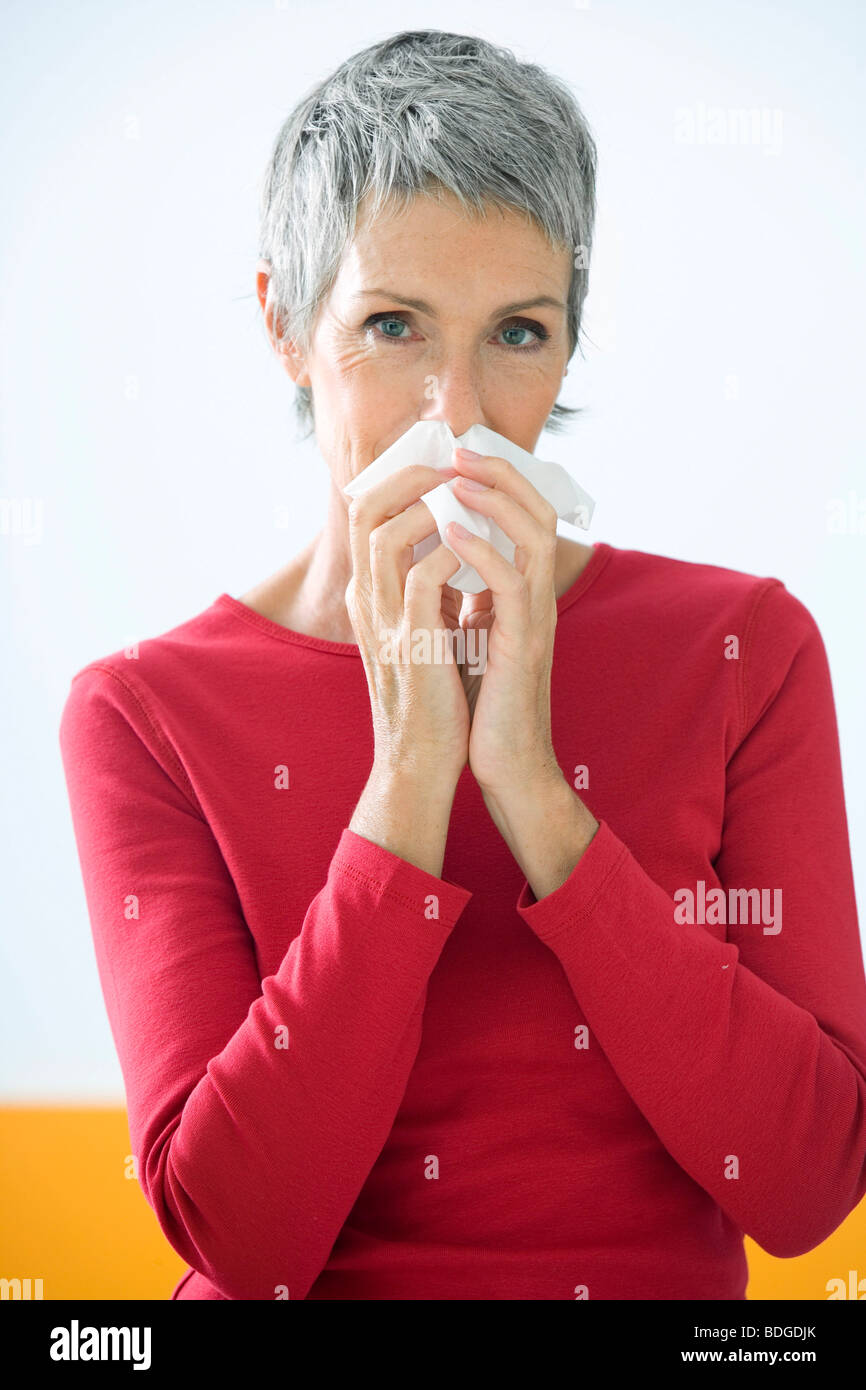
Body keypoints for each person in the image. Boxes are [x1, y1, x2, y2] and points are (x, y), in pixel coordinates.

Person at [59, 29, 866, 1301]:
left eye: (518, 333)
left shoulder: (743, 651)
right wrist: (411, 778)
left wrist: (536, 794)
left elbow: (804, 1189)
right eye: (390, 325)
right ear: (284, 324)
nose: (459, 417)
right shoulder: (145, 713)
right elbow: (243, 1242)